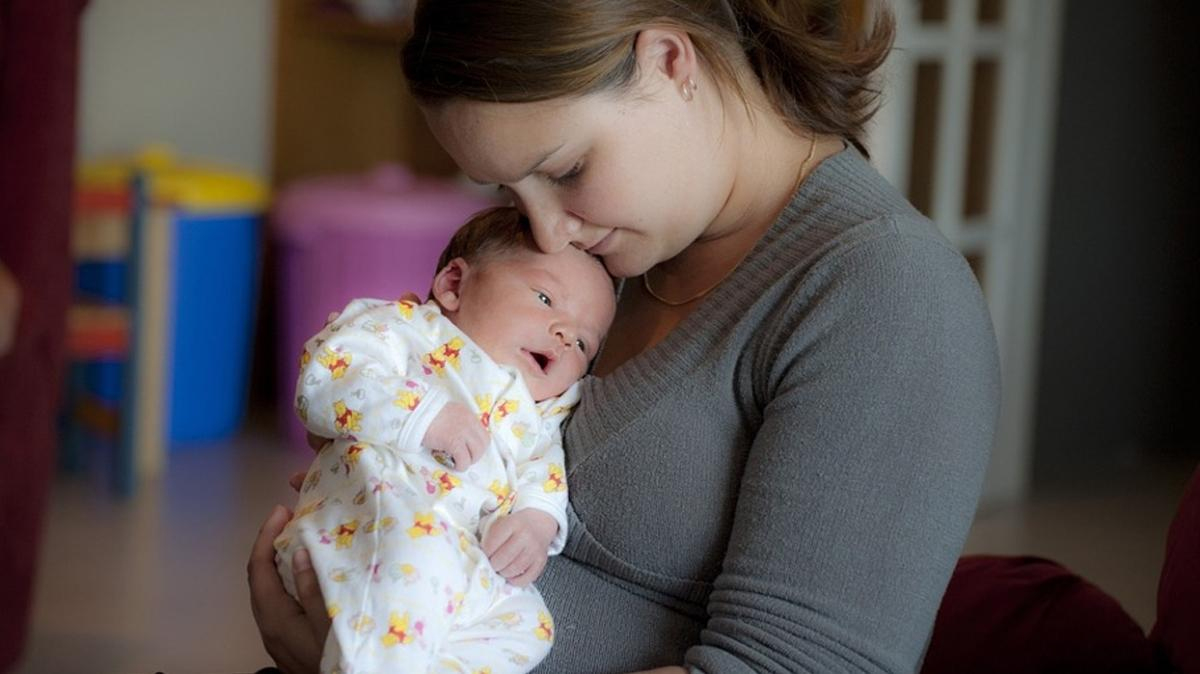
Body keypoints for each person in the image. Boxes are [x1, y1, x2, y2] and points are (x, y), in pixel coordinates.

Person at [248, 2, 1001, 672]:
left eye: (568, 169)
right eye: (510, 194)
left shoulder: (882, 291)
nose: (547, 232)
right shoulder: (623, 251)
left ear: (671, 61)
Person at [274, 206, 616, 673]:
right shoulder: (407, 331)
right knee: (415, 573)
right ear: (454, 285)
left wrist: (536, 524)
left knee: (529, 625)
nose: (564, 333)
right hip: (373, 530)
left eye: (583, 344)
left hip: (463, 560)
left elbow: (545, 470)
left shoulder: (543, 413)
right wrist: (425, 414)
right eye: (544, 298)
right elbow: (324, 379)